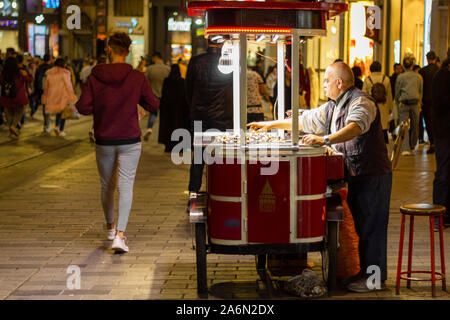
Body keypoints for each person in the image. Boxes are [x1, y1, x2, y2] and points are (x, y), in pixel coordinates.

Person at [249, 61, 392, 293]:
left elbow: (356, 127)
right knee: (363, 226)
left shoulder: (361, 101)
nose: (324, 85)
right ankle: (365, 274)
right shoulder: (333, 106)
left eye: (327, 81)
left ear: (339, 82)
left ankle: (374, 279)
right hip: (357, 175)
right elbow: (306, 120)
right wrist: (268, 125)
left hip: (372, 175)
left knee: (372, 229)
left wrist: (325, 140)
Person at [76, 32, 159, 253]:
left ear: (108, 49)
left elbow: (83, 107)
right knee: (125, 186)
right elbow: (152, 105)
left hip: (104, 139)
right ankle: (120, 236)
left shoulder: (95, 77)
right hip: (130, 139)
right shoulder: (137, 77)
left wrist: (103, 107)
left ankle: (110, 228)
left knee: (107, 186)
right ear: (128, 51)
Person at [186, 39, 233, 207]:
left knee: (198, 156)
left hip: (199, 117)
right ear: (223, 43)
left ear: (208, 41)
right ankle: (220, 192)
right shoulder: (229, 62)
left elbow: (188, 90)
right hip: (222, 118)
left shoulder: (196, 61)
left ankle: (193, 193)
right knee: (220, 156)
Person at [431, 53, 450, 229]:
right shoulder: (442, 75)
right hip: (444, 133)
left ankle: (447, 214)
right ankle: (438, 215)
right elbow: (439, 103)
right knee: (443, 173)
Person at [41, 58, 78, 137]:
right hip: (62, 96)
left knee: (58, 111)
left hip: (52, 95)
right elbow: (68, 86)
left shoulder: (49, 73)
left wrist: (45, 96)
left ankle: (56, 126)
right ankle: (60, 130)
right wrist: (72, 97)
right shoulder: (65, 73)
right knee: (63, 113)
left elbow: (46, 86)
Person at [395, 56, 423, 156]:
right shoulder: (418, 77)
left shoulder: (400, 77)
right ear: (412, 65)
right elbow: (420, 90)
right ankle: (412, 145)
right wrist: (420, 100)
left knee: (404, 125)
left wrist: (397, 101)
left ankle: (405, 148)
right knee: (415, 124)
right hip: (415, 103)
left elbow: (397, 91)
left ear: (403, 65)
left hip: (404, 102)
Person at [158, 64, 190, 152]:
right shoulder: (182, 81)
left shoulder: (166, 81)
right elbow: (185, 96)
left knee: (168, 127)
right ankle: (180, 146)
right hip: (180, 109)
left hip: (168, 109)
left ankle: (169, 146)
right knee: (179, 126)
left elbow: (164, 95)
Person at [0, 57, 33, 139]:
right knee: (19, 112)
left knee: (9, 113)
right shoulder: (20, 73)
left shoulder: (3, 75)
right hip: (18, 98)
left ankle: (12, 132)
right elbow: (30, 80)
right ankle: (13, 126)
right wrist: (27, 73)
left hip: (6, 97)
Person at [362, 61, 393, 144]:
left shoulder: (367, 79)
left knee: (373, 125)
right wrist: (390, 108)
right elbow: (389, 95)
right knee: (383, 126)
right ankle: (384, 143)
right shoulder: (386, 79)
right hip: (384, 105)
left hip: (371, 106)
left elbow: (364, 95)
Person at [143, 52, 170, 141]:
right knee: (164, 114)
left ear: (155, 58)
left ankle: (149, 129)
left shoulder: (150, 69)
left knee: (153, 113)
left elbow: (144, 81)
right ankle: (165, 132)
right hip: (165, 95)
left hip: (153, 94)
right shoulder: (167, 69)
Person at [419, 51, 439, 154]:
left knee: (428, 122)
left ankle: (432, 143)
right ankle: (437, 143)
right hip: (437, 100)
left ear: (427, 59)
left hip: (426, 100)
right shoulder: (439, 70)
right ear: (435, 59)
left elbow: (420, 87)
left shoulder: (422, 71)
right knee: (436, 121)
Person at [34, 54, 53, 132]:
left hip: (41, 90)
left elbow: (36, 81)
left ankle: (46, 124)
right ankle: (47, 124)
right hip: (50, 91)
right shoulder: (52, 68)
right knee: (48, 107)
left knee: (44, 107)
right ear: (50, 59)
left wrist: (36, 92)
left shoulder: (39, 68)